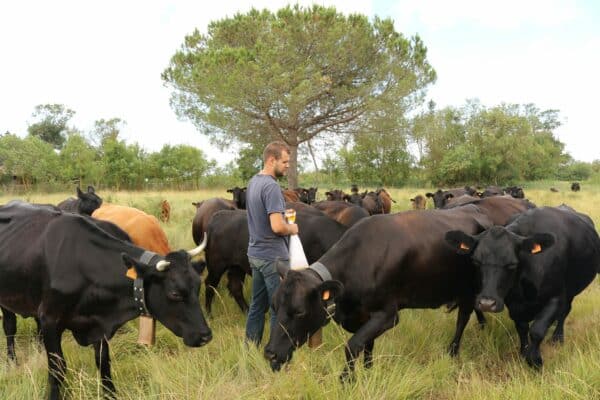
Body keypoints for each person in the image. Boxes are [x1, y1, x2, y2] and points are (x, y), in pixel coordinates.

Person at [245, 141, 298, 346]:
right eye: (284, 162)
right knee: (280, 308)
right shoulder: (271, 187)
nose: (287, 166)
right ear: (271, 160)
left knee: (257, 306)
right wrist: (292, 228)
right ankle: (276, 355)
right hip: (273, 258)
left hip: (255, 254)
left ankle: (249, 350)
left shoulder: (253, 182)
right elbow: (277, 227)